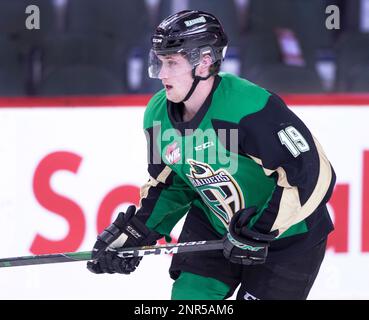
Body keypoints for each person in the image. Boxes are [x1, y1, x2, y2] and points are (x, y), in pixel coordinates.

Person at [87, 10, 336, 300]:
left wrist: (259, 231)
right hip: (216, 229)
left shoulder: (248, 108)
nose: (162, 73)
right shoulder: (158, 113)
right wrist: (134, 232)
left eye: (171, 62)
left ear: (204, 62)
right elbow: (171, 183)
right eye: (159, 61)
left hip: (287, 239)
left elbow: (311, 173)